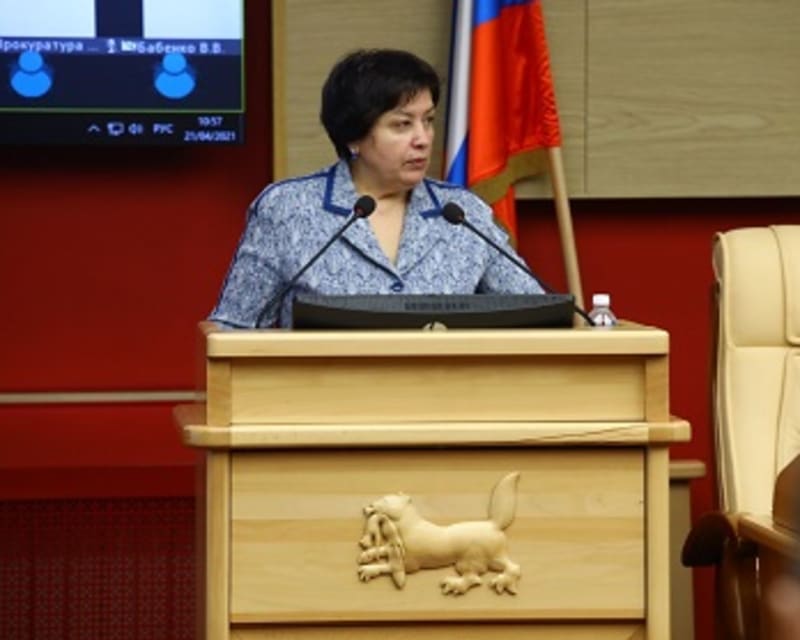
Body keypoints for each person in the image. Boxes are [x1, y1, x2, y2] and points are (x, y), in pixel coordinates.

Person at [209, 48, 544, 329]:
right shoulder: (289, 209)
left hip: (444, 388)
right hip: (324, 388)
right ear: (354, 136)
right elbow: (231, 329)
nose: (423, 139)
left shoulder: (462, 212)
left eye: (428, 120)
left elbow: (537, 315)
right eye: (402, 124)